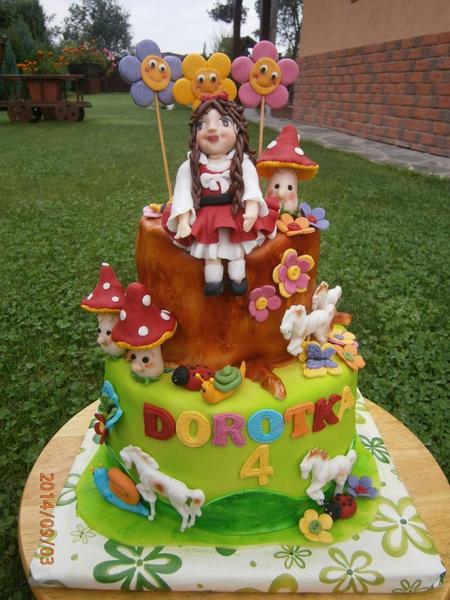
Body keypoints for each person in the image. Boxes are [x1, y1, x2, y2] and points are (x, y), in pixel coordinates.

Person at [163, 94, 276, 296]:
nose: (212, 129)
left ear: (237, 129)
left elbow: (251, 188)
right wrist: (183, 221)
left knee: (236, 248)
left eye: (223, 122)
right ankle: (213, 281)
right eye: (202, 124)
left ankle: (237, 278)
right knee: (211, 250)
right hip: (207, 217)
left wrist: (251, 210)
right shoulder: (190, 167)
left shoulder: (242, 163)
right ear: (194, 134)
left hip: (235, 213)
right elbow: (182, 195)